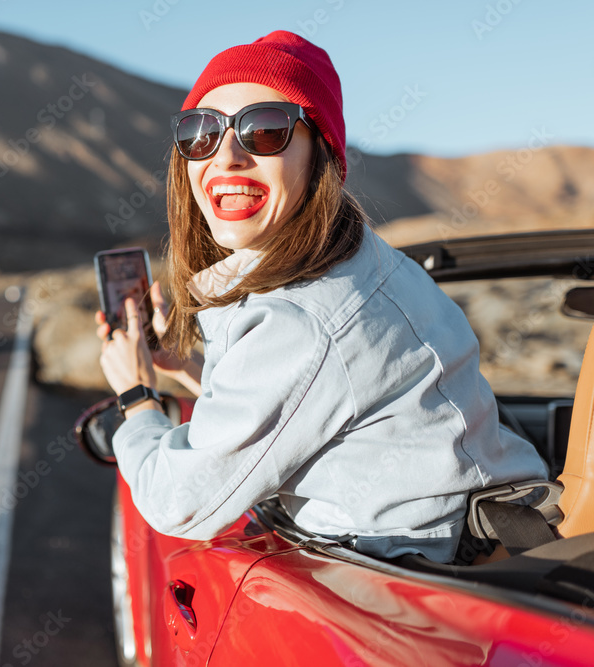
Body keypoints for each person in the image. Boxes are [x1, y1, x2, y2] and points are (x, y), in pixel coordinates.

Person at [95, 30, 548, 564]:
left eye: (265, 130)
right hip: (493, 548)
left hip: (403, 596)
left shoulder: (300, 318)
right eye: (201, 132)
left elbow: (180, 504)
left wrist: (136, 396)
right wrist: (189, 366)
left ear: (321, 153)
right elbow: (322, 397)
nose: (228, 156)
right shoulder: (363, 259)